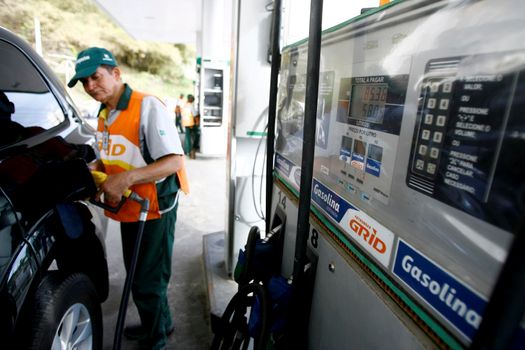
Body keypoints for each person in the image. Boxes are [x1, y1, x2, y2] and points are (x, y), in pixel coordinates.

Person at [68, 47, 189, 350]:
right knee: (139, 274)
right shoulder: (105, 112)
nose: (91, 86)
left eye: (95, 77)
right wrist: (94, 170)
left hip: (155, 206)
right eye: (84, 82)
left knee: (148, 281)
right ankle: (160, 323)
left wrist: (125, 178)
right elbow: (113, 157)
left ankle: (156, 341)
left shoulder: (147, 106)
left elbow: (174, 161)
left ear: (116, 73)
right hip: (129, 205)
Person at [181, 94, 200, 159]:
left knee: (187, 138)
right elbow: (195, 115)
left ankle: (187, 151)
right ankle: (192, 149)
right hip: (191, 124)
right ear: (191, 99)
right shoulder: (191, 106)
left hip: (185, 123)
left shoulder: (185, 105)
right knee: (196, 135)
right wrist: (197, 122)